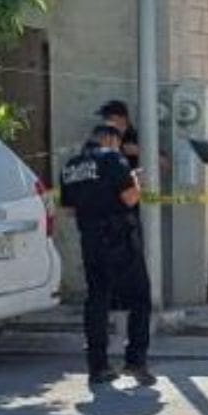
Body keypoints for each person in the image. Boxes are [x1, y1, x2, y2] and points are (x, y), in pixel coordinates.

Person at [59, 124, 154, 387]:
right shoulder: (113, 158)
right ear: (110, 139)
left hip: (90, 241)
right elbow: (130, 198)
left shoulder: (71, 166)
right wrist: (135, 179)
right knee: (140, 298)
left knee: (97, 301)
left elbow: (67, 209)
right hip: (119, 239)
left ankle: (97, 366)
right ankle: (135, 361)